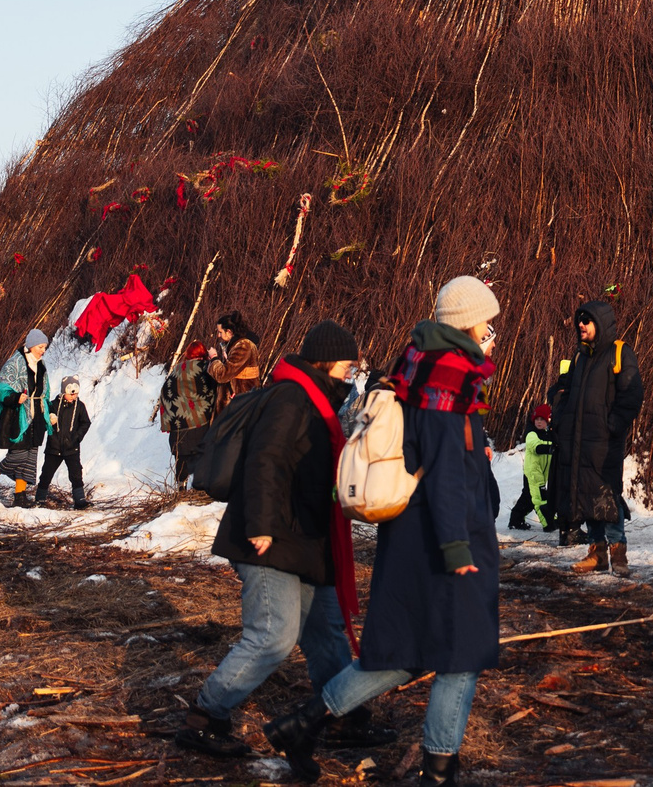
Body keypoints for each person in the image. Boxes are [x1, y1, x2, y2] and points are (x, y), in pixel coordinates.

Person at [269, 282, 498, 786]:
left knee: (406, 652)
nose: (491, 333)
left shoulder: (418, 362)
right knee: (460, 653)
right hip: (442, 540)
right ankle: (438, 771)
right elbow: (442, 470)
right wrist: (458, 546)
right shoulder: (447, 376)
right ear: (466, 324)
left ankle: (303, 724)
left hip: (415, 536)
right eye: (487, 323)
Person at [178, 320, 367, 769]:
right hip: (270, 538)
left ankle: (343, 715)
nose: (351, 372)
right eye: (347, 363)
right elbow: (267, 459)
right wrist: (261, 523)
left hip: (304, 540)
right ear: (325, 359)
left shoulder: (321, 402)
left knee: (325, 631)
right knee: (272, 637)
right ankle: (206, 715)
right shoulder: (293, 397)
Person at [549, 297, 644, 575]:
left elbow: (632, 394)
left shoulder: (620, 352)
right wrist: (561, 419)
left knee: (607, 497)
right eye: (579, 319)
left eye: (586, 320)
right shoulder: (579, 356)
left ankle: (619, 553)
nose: (580, 324)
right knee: (585, 497)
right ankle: (597, 553)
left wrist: (612, 425)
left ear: (600, 323)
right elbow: (561, 389)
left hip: (604, 443)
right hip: (578, 442)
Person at [0, 329, 52, 507]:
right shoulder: (15, 363)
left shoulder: (41, 365)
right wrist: (15, 398)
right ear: (30, 346)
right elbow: (0, 391)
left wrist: (49, 411)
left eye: (44, 347)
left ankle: (19, 495)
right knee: (18, 455)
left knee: (30, 457)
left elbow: (45, 391)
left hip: (36, 415)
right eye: (40, 346)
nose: (43, 350)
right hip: (17, 416)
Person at [157, 339, 219, 488]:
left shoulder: (176, 370)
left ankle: (181, 484)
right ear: (203, 354)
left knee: (182, 458)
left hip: (178, 424)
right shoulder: (206, 368)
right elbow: (213, 392)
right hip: (199, 422)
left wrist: (171, 418)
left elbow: (166, 393)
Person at [37, 378, 94, 509]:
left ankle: (80, 500)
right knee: (46, 473)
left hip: (71, 448)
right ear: (63, 392)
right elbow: (43, 422)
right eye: (71, 394)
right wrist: (48, 421)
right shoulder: (53, 405)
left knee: (76, 474)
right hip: (54, 447)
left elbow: (86, 423)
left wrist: (77, 437)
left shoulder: (79, 406)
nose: (74, 396)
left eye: (76, 394)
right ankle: (40, 499)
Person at [509, 404, 556, 533]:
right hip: (533, 472)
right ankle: (549, 523)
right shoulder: (532, 434)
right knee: (539, 498)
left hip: (542, 472)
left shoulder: (550, 434)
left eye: (542, 419)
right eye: (537, 419)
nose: (539, 422)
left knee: (528, 497)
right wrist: (550, 449)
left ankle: (516, 520)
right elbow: (535, 446)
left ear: (548, 421)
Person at [208, 313, 263, 411]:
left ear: (229, 331)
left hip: (239, 406)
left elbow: (223, 375)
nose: (218, 335)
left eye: (220, 332)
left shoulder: (243, 346)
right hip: (239, 403)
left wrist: (214, 358)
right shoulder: (237, 345)